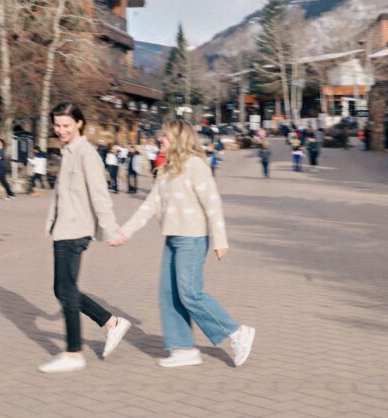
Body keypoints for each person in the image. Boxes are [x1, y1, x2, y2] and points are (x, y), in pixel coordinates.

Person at [109, 119, 255, 368]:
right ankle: (183, 349)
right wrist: (125, 232)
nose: (160, 140)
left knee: (190, 294)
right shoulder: (166, 169)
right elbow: (150, 205)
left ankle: (236, 332)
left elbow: (213, 203)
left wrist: (220, 240)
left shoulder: (196, 166)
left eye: (165, 136)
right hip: (173, 238)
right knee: (169, 294)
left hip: (194, 238)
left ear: (178, 139)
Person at [40, 102, 133, 374]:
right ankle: (111, 323)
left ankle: (73, 353)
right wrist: (50, 222)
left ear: (79, 123)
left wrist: (111, 229)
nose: (61, 130)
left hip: (76, 231)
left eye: (66, 125)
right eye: (57, 125)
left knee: (66, 291)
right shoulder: (67, 152)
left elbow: (99, 195)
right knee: (62, 289)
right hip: (63, 230)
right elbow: (60, 195)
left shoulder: (86, 153)